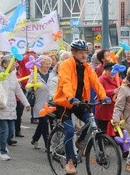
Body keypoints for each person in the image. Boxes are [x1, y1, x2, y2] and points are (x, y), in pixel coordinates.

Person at [53, 39, 111, 175]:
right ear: (73, 52)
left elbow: (96, 82)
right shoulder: (65, 65)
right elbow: (65, 82)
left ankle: (80, 141)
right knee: (69, 131)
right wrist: (70, 97)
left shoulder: (87, 67)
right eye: (80, 53)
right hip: (65, 102)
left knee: (92, 122)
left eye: (85, 52)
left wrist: (103, 96)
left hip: (80, 102)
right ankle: (70, 162)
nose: (84, 55)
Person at [0, 56, 30, 161]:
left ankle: (3, 143)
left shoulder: (13, 74)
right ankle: (2, 152)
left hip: (11, 107)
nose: (15, 65)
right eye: (13, 63)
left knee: (10, 131)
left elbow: (18, 91)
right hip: (0, 105)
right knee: (5, 129)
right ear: (5, 64)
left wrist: (26, 103)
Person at [27, 55, 54, 149]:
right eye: (46, 64)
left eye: (49, 64)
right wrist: (32, 85)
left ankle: (34, 139)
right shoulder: (35, 74)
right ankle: (48, 145)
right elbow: (28, 88)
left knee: (42, 123)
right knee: (44, 122)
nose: (48, 66)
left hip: (50, 103)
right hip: (39, 102)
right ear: (41, 64)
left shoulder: (51, 74)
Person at [95, 62, 121, 136]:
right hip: (104, 109)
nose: (112, 72)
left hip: (115, 109)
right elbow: (99, 91)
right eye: (110, 70)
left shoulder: (118, 79)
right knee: (102, 130)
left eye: (114, 70)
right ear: (105, 71)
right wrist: (113, 91)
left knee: (117, 131)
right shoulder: (101, 79)